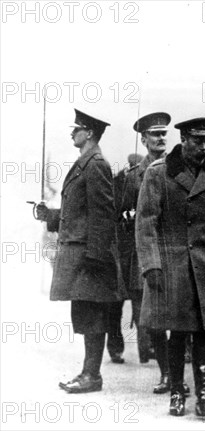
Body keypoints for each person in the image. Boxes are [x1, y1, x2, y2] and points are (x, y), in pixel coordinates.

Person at [135, 117, 205, 417]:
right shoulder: (159, 174)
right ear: (183, 140)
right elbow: (145, 224)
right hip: (175, 265)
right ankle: (177, 393)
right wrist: (152, 265)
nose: (203, 146)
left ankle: (204, 395)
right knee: (178, 332)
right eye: (197, 141)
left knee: (204, 333)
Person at [33, 109, 120, 393]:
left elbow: (103, 214)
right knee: (85, 313)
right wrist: (51, 215)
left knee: (92, 314)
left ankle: (91, 376)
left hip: (89, 257)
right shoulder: (87, 162)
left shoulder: (96, 164)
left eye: (77, 128)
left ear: (90, 133)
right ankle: (88, 373)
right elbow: (79, 214)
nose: (72, 132)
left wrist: (95, 256)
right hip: (83, 255)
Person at [119, 113, 190, 394]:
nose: (161, 138)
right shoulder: (133, 176)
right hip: (147, 254)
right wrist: (129, 217)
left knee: (182, 318)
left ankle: (179, 375)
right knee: (156, 320)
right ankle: (167, 375)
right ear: (144, 139)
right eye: (155, 134)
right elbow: (122, 212)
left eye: (164, 133)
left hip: (176, 252)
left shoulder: (179, 167)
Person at [108, 152, 143, 365]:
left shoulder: (144, 181)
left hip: (136, 253)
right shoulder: (117, 184)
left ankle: (146, 346)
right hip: (119, 253)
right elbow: (112, 214)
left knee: (141, 303)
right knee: (115, 305)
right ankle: (115, 348)